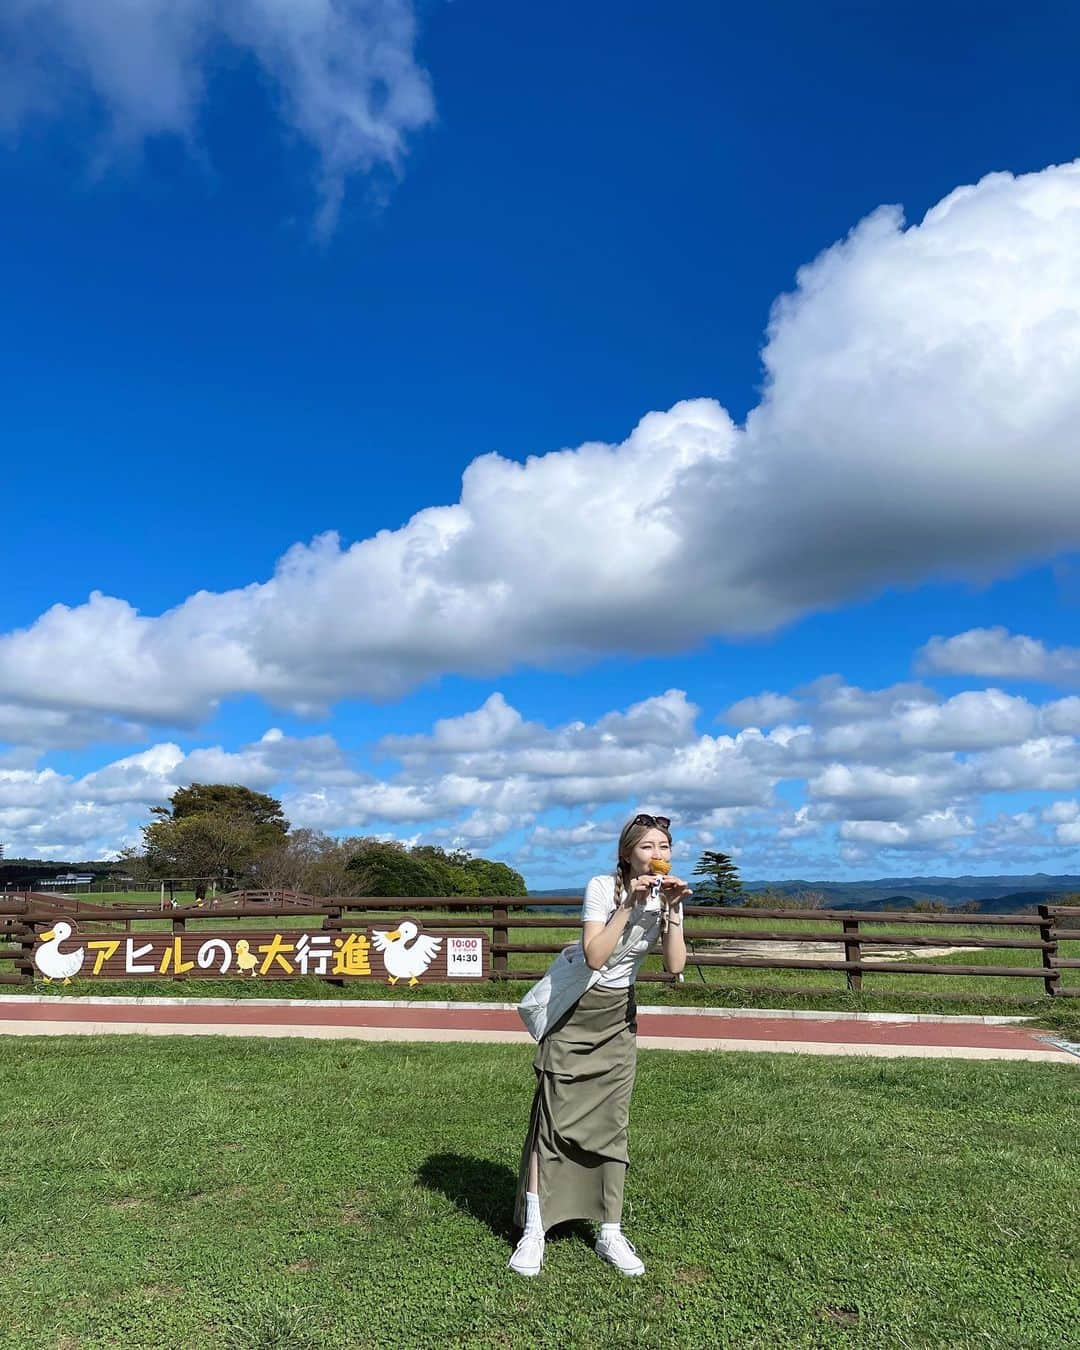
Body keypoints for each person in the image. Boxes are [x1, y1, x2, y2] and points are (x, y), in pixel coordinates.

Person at [509, 813, 691, 1278]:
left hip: (618, 1019)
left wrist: (671, 912)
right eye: (648, 847)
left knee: (612, 1122)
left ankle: (610, 1229)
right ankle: (536, 1229)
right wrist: (629, 905)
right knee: (552, 1121)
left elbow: (674, 966)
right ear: (627, 853)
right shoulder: (602, 888)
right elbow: (595, 955)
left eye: (665, 847)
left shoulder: (668, 894)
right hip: (577, 1013)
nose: (658, 855)